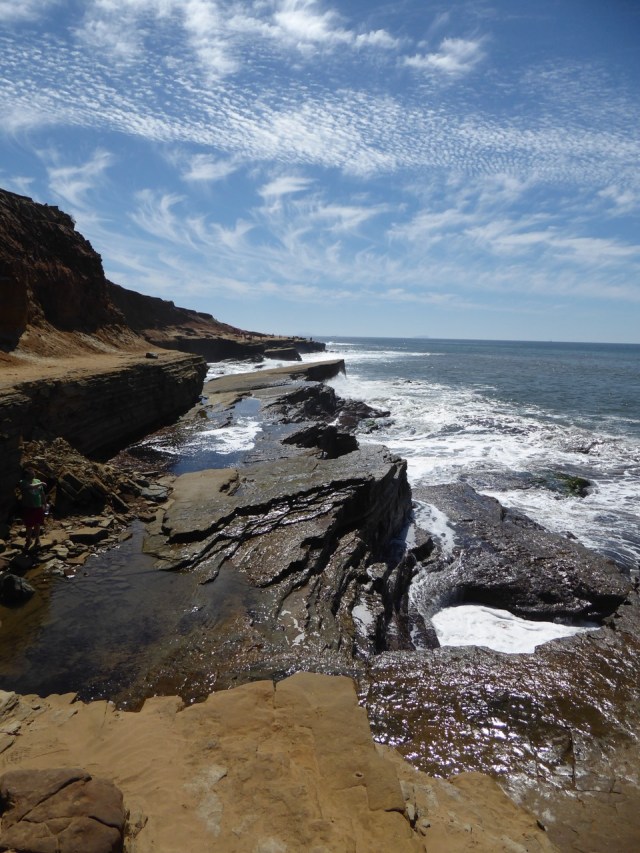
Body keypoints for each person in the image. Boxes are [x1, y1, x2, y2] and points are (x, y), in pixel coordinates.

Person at [18, 466, 47, 550]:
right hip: (28, 507)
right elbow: (30, 487)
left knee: (37, 523)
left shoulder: (37, 481)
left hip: (38, 506)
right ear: (26, 475)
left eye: (34, 473)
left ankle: (37, 538)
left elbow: (42, 494)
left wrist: (44, 503)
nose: (33, 475)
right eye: (31, 474)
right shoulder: (23, 482)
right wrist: (41, 483)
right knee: (29, 524)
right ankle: (28, 539)